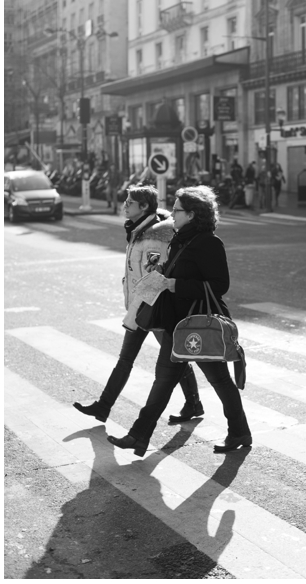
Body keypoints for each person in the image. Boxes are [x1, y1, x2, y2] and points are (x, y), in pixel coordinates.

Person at [107, 186, 250, 457]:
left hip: (198, 325)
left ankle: (239, 432)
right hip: (177, 324)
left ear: (192, 214)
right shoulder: (179, 239)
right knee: (163, 381)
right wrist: (160, 274)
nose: (172, 213)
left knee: (219, 380)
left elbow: (219, 285)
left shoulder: (209, 242)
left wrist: (174, 284)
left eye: (177, 210)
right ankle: (138, 436)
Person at [73, 186, 203, 425]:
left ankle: (193, 403)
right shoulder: (138, 231)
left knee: (172, 358)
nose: (124, 205)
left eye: (130, 202)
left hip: (152, 308)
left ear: (144, 207)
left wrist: (142, 309)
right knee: (139, 358)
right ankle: (103, 407)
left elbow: (154, 276)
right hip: (142, 306)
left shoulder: (154, 237)